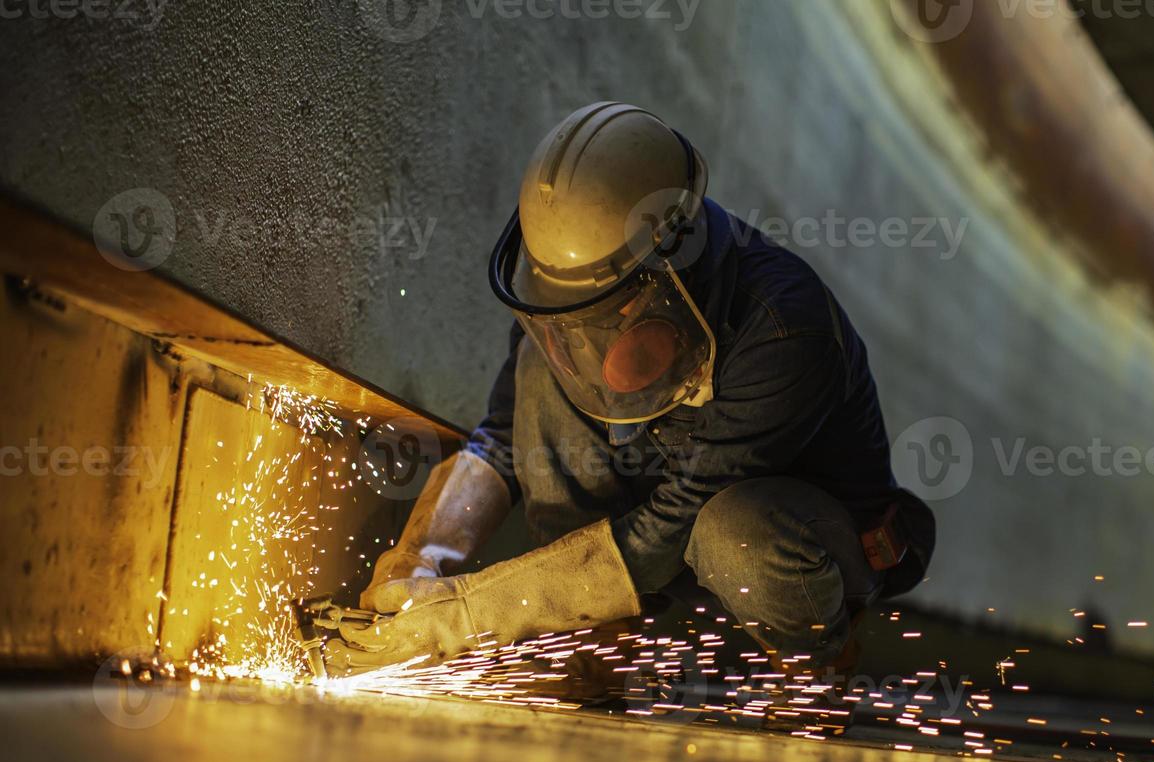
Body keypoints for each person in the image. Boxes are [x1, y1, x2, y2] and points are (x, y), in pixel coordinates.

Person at [331, 101, 934, 698]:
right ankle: (596, 641)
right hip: (664, 523)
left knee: (734, 533)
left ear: (674, 263)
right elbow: (503, 438)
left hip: (797, 544)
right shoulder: (569, 293)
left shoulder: (783, 331)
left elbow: (669, 530)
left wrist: (459, 616)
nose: (591, 329)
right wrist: (419, 560)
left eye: (612, 308)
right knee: (541, 374)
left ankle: (818, 664)